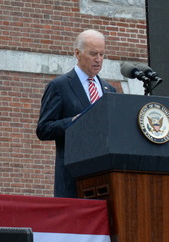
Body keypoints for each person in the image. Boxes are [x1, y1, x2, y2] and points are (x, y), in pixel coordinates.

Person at [36, 30, 116, 197]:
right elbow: (44, 129)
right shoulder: (60, 86)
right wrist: (74, 122)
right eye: (93, 53)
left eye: (102, 54)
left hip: (106, 177)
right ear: (77, 54)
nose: (98, 59)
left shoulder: (110, 90)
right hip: (74, 177)